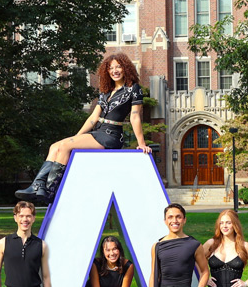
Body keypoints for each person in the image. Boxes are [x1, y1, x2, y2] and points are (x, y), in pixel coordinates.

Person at [15, 53, 152, 204]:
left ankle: (51, 190)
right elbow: (93, 118)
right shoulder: (106, 91)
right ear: (107, 71)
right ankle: (38, 186)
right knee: (55, 146)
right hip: (98, 131)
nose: (115, 71)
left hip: (111, 135)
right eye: (111, 68)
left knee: (64, 147)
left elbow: (135, 116)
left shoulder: (133, 89)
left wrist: (141, 143)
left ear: (125, 68)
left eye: (118, 67)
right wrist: (76, 138)